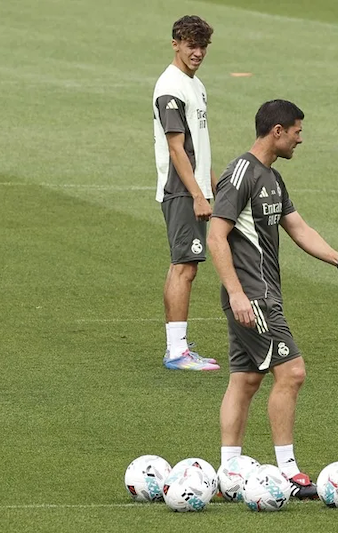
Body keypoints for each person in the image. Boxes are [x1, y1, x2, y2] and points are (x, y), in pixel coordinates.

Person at [208, 99, 338, 498]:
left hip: (263, 296)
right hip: (253, 297)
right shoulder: (241, 174)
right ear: (277, 131)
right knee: (292, 372)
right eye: (297, 131)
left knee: (245, 379)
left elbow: (299, 228)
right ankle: (288, 472)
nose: (301, 138)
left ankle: (229, 472)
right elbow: (216, 235)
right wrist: (236, 293)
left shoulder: (273, 179)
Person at [153, 15, 219, 370]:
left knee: (182, 264)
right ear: (175, 43)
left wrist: (211, 184)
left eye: (202, 46)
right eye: (191, 45)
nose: (197, 53)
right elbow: (177, 149)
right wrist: (196, 194)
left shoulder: (195, 84)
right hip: (181, 189)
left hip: (192, 186)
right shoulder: (171, 88)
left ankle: (176, 346)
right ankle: (177, 351)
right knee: (185, 266)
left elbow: (198, 144)